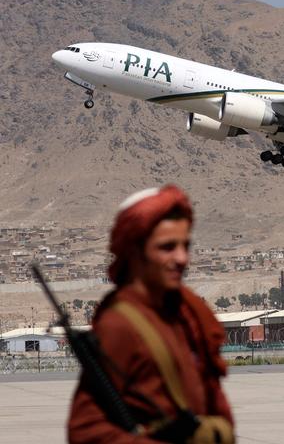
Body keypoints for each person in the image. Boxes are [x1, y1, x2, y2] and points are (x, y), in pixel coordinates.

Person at [68, 185, 234, 443]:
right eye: (167, 247)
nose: (181, 258)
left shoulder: (188, 315)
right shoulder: (120, 325)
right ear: (135, 251)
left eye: (185, 246)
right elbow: (86, 431)